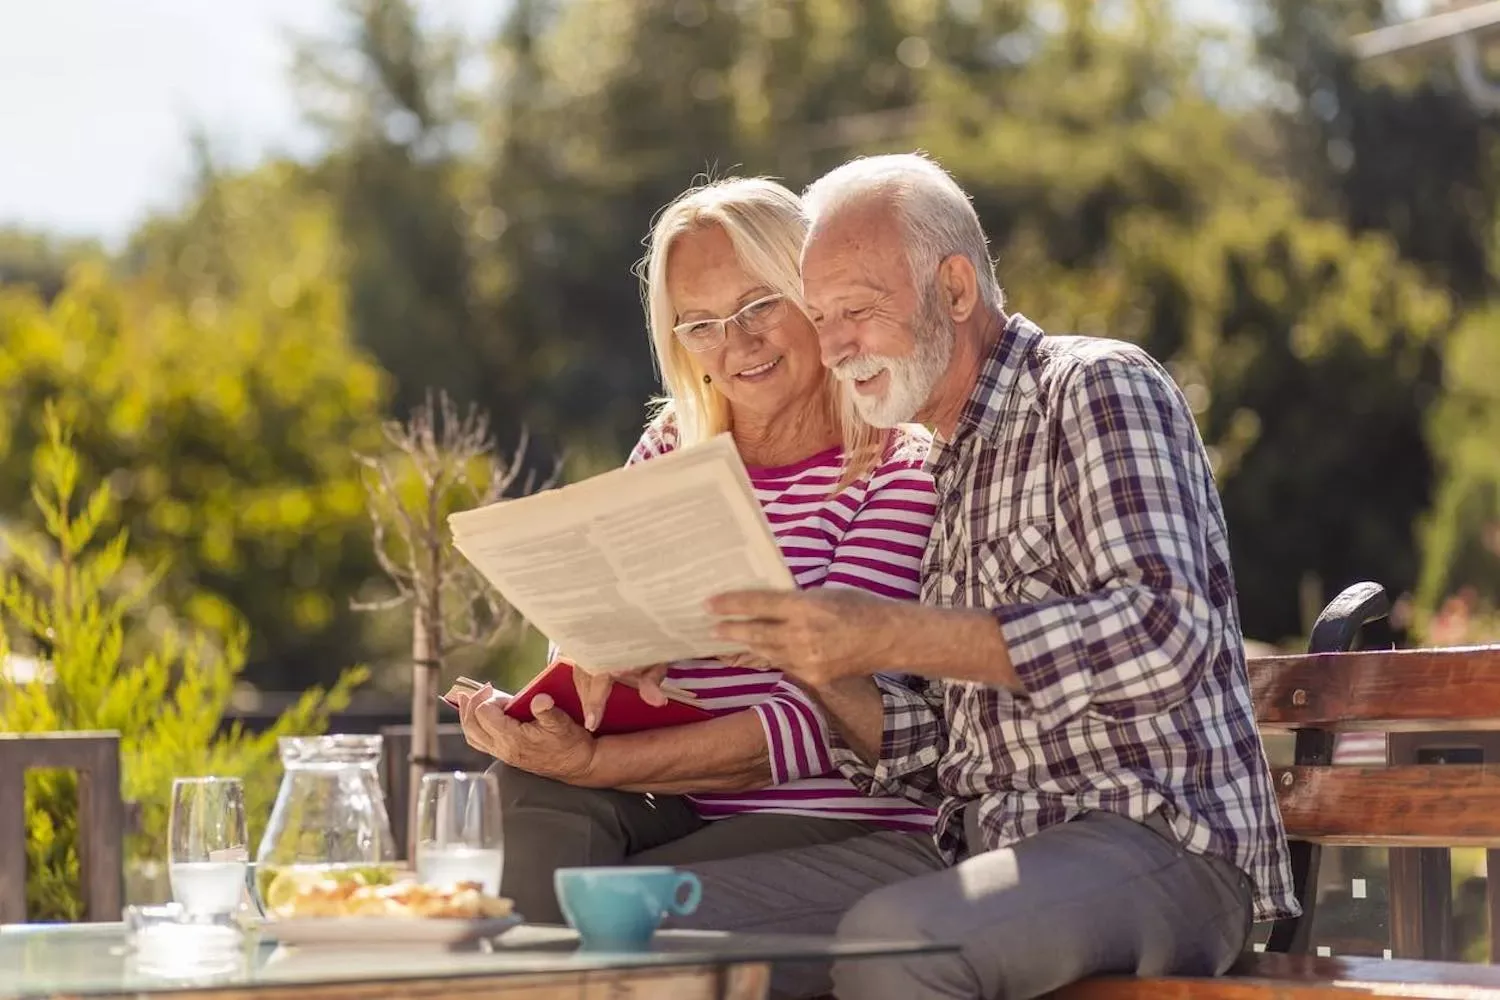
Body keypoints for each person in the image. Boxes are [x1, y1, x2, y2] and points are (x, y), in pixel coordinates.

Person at [684, 153, 1299, 999]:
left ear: (958, 289)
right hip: (983, 847)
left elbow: (1167, 633)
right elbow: (935, 751)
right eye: (819, 318)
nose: (831, 350)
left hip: (1160, 841)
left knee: (897, 942)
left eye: (856, 312)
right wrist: (812, 663)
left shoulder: (1093, 387)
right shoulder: (944, 463)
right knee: (656, 929)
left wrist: (888, 630)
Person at [448, 177, 938, 925]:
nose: (735, 344)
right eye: (699, 323)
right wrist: (582, 679)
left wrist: (597, 763)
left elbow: (820, 721)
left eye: (759, 306)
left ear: (811, 294)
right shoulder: (673, 446)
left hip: (833, 819)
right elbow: (588, 647)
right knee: (526, 790)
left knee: (607, 904)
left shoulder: (898, 464)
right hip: (682, 804)